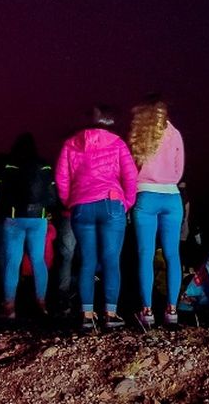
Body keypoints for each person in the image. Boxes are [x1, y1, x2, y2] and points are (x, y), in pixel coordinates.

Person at [55, 105, 138, 330]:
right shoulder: (118, 143)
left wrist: (69, 201)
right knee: (111, 259)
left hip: (81, 205)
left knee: (87, 261)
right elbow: (131, 177)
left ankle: (86, 314)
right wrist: (127, 202)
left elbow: (62, 179)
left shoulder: (70, 144)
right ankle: (110, 314)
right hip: (111, 202)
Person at [127, 96, 185, 328]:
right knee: (173, 255)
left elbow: (130, 171)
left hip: (145, 196)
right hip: (171, 197)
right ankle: (172, 310)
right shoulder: (175, 134)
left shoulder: (138, 136)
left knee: (145, 254)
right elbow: (179, 171)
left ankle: (147, 310)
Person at [0, 132, 57, 319]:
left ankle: (10, 306)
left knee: (12, 262)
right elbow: (52, 195)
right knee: (38, 260)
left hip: (14, 218)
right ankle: (41, 303)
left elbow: (1, 192)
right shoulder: (44, 165)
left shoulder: (10, 165)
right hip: (39, 218)